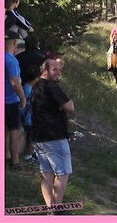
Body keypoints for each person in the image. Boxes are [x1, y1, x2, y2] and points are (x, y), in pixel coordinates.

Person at [31, 59, 74, 213]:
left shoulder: (36, 86)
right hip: (54, 135)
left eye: (59, 69)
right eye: (54, 69)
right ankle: (57, 209)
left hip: (38, 136)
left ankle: (50, 209)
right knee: (63, 173)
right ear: (45, 71)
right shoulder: (51, 87)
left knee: (46, 173)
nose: (58, 72)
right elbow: (70, 107)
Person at [5, 30, 27, 170]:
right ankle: (15, 162)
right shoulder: (11, 60)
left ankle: (5, 155)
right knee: (14, 130)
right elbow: (14, 82)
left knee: (3, 130)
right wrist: (23, 98)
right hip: (10, 101)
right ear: (14, 42)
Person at [21, 66, 41, 167]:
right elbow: (22, 105)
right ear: (36, 78)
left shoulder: (30, 87)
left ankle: (33, 153)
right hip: (27, 118)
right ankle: (28, 156)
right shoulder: (27, 89)